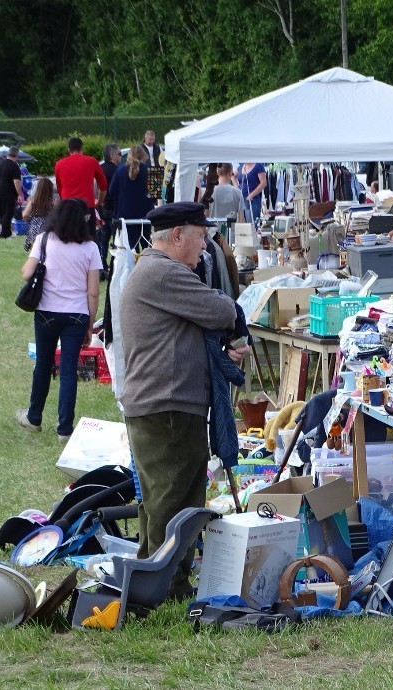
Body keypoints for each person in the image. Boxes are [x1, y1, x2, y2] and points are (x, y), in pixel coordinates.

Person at [118, 201, 248, 600]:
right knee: (172, 501)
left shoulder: (155, 270)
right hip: (167, 406)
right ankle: (158, 591)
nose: (205, 246)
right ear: (177, 236)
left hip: (163, 403)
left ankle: (158, 582)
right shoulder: (164, 272)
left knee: (167, 498)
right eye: (200, 236)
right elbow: (222, 309)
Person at [16, 198, 103, 441]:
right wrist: (90, 325)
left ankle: (34, 417)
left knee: (43, 365)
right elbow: (93, 292)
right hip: (77, 314)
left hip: (46, 312)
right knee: (68, 371)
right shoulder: (90, 248)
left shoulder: (44, 240)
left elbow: (26, 273)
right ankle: (65, 428)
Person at [106, 147, 153, 250]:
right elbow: (156, 194)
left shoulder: (120, 170)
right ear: (143, 156)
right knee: (147, 247)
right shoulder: (150, 170)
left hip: (125, 216)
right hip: (145, 215)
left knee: (129, 249)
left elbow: (111, 191)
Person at [0, 146, 24, 239]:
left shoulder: (0, 164)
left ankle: (4, 231)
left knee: (1, 213)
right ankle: (5, 233)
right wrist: (20, 194)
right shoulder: (14, 166)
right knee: (8, 213)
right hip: (8, 192)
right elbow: (16, 181)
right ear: (17, 155)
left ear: (8, 154)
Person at [22, 177, 56, 252]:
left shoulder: (34, 201)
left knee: (35, 251)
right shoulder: (53, 203)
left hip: (34, 229)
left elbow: (25, 215)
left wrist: (29, 221)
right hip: (47, 229)